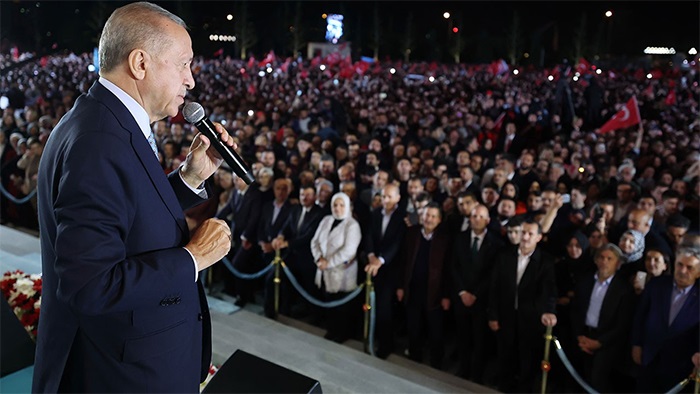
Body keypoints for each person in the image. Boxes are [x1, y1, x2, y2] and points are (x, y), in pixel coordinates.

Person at [33, 2, 234, 392]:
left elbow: (128, 221)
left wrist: (188, 178)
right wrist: (192, 258)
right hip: (117, 374)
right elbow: (91, 286)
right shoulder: (99, 143)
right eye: (183, 64)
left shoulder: (104, 119)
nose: (190, 80)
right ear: (140, 63)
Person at [488, 218, 558, 393]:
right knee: (505, 357)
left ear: (539, 237)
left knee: (527, 361)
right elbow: (494, 288)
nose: (525, 237)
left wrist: (548, 312)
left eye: (530, 233)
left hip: (530, 320)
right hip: (506, 317)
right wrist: (493, 315)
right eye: (523, 232)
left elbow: (549, 291)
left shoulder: (545, 262)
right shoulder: (504, 255)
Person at [632, 246, 700, 393]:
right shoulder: (656, 285)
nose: (682, 271)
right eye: (680, 265)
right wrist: (636, 344)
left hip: (681, 364)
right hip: (650, 356)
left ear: (698, 272)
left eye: (689, 267)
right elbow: (640, 316)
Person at [571, 243, 637, 393]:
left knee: (598, 380)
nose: (604, 262)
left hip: (607, 342)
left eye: (609, 258)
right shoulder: (585, 282)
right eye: (601, 257)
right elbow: (575, 311)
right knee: (580, 378)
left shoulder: (623, 289)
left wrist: (599, 342)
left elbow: (623, 323)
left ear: (618, 263)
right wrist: (579, 336)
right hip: (584, 336)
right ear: (595, 260)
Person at [451, 204, 503, 382]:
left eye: (481, 217)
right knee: (462, 337)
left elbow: (492, 275)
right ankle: (463, 370)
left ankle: (477, 374)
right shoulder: (460, 238)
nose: (476, 220)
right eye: (474, 216)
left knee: (480, 340)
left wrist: (475, 294)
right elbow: (454, 267)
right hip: (461, 298)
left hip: (481, 300)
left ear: (488, 220)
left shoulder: (496, 244)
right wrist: (462, 291)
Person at [396, 202, 452, 369]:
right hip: (412, 288)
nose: (429, 219)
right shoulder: (411, 233)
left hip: (435, 292)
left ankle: (437, 361)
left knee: (435, 329)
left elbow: (448, 269)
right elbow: (403, 261)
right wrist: (400, 286)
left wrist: (446, 295)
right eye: (427, 215)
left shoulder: (444, 239)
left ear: (439, 220)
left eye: (433, 216)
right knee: (414, 325)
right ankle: (415, 355)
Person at [310, 192, 362, 343]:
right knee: (329, 301)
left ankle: (343, 333)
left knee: (342, 304)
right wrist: (318, 258)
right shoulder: (326, 220)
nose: (338, 208)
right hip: (323, 268)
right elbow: (315, 241)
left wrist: (329, 262)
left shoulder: (352, 225)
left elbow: (349, 251)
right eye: (335, 205)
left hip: (342, 271)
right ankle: (332, 329)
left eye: (341, 205)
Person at [362, 183, 406, 359]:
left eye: (389, 197)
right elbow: (369, 236)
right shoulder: (375, 214)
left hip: (390, 270)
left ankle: (386, 345)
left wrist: (380, 261)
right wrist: (371, 255)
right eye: (383, 196)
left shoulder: (403, 218)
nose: (385, 200)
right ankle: (370, 336)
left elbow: (397, 244)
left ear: (397, 198)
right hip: (372, 266)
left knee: (384, 309)